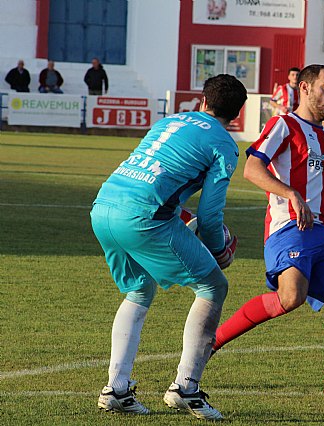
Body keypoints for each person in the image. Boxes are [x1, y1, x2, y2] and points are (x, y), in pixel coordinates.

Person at [210, 64, 324, 401]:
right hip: (289, 228)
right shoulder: (283, 124)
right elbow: (251, 168)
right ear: (305, 89)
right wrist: (290, 193)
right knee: (290, 297)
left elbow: (322, 194)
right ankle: (213, 340)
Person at [91, 74, 247, 420]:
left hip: (103, 206)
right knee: (213, 286)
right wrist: (218, 250)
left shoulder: (170, 120)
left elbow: (157, 175)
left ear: (202, 101)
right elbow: (209, 214)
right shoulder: (224, 144)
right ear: (236, 114)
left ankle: (116, 388)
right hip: (143, 216)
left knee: (139, 289)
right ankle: (186, 389)